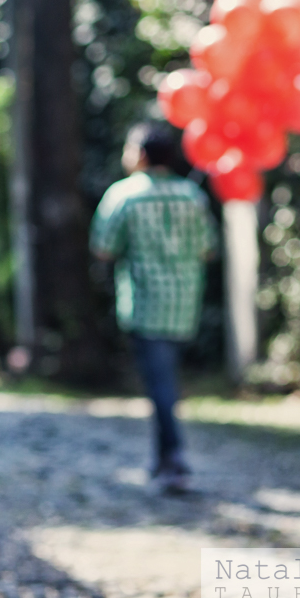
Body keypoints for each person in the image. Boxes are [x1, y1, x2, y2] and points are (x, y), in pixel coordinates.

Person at [90, 123, 216, 494]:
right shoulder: (192, 195)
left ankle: (174, 458)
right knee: (165, 380)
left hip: (145, 303)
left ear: (141, 154)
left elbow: (103, 248)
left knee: (160, 384)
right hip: (184, 302)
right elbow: (208, 248)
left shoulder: (124, 195)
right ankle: (162, 459)